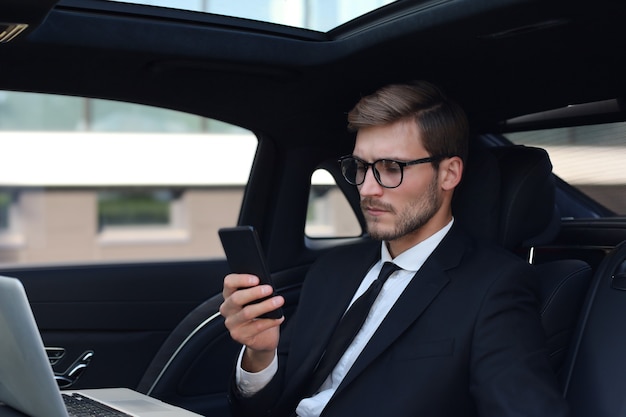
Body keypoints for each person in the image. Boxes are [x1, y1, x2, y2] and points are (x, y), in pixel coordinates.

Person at [219, 80, 570, 417]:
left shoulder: (495, 286)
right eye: (360, 167)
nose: (368, 188)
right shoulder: (332, 269)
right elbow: (265, 406)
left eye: (391, 168)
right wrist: (260, 356)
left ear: (449, 174)